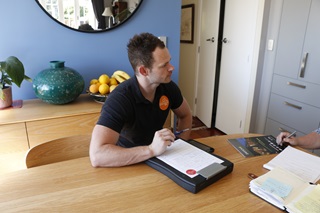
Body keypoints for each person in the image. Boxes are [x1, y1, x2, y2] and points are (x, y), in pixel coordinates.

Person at [90, 32, 192, 167]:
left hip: (162, 157)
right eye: (164, 65)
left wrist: (180, 145)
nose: (171, 67)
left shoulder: (168, 87)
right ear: (144, 71)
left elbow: (185, 115)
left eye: (170, 61)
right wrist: (151, 150)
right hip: (127, 161)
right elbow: (97, 156)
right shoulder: (120, 98)